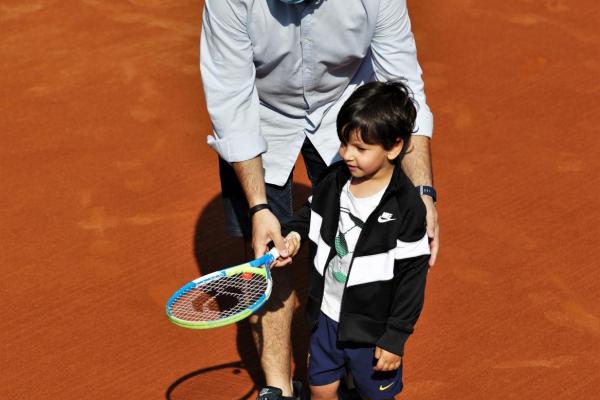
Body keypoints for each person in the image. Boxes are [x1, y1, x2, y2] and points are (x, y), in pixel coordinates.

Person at [200, 1, 438, 398]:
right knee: (268, 251)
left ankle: (342, 352)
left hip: (345, 110)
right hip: (261, 110)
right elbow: (231, 103)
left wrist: (423, 193)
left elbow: (404, 85)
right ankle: (277, 388)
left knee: (352, 235)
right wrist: (259, 207)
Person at [275, 80, 431, 400]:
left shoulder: (407, 208)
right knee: (321, 389)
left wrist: (394, 339)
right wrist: (293, 235)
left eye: (361, 148)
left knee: (374, 395)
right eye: (345, 143)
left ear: (395, 147)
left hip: (370, 332)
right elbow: (308, 214)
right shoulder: (334, 181)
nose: (347, 155)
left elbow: (412, 280)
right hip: (326, 318)